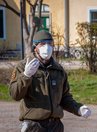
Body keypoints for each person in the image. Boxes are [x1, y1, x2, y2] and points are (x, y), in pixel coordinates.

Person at [9, 30, 91, 132]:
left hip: (55, 126)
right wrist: (26, 75)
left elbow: (64, 98)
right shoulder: (23, 66)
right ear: (35, 47)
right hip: (33, 126)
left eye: (50, 44)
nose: (47, 47)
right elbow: (15, 94)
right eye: (42, 44)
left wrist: (78, 108)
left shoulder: (58, 70)